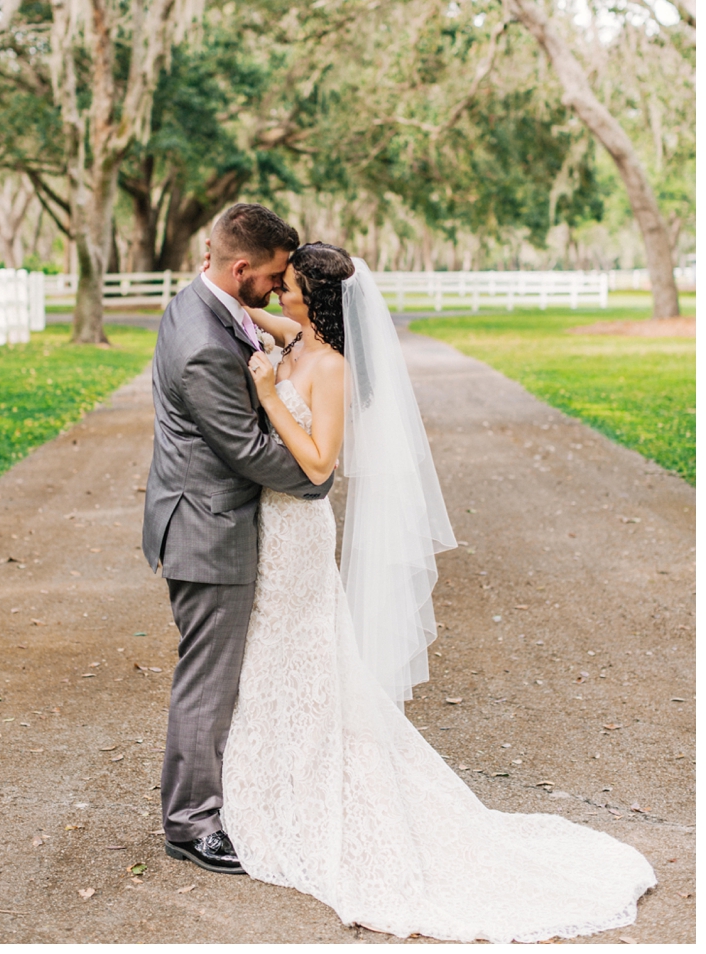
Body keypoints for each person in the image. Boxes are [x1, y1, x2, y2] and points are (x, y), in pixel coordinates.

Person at [216, 241, 656, 943]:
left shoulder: (326, 366)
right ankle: (271, 787)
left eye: (290, 289)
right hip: (269, 527)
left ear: (318, 302)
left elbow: (321, 462)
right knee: (274, 660)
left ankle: (306, 798)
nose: (280, 298)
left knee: (304, 654)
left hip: (298, 530)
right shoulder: (299, 337)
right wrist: (221, 287)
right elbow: (249, 314)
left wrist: (269, 395)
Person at [142, 204, 334, 875]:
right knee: (208, 682)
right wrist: (316, 476)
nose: (279, 291)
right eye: (274, 278)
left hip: (200, 515)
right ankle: (190, 825)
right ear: (240, 268)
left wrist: (281, 330)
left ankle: (214, 803)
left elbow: (253, 322)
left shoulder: (202, 303)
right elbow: (248, 449)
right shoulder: (202, 346)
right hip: (208, 529)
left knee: (220, 676)